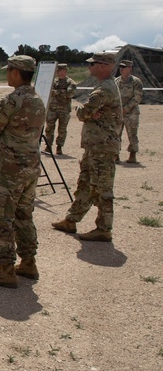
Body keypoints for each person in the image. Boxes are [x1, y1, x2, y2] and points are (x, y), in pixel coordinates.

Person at [0, 56, 46, 288]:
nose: (7, 75)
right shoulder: (38, 100)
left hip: (9, 170)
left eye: (9, 71)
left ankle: (6, 270)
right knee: (24, 216)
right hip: (31, 168)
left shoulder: (12, 100)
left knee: (1, 218)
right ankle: (28, 262)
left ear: (16, 73)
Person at [52, 52, 124, 242]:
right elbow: (90, 112)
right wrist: (89, 112)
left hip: (103, 147)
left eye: (93, 64)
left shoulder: (104, 89)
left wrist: (81, 110)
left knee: (102, 189)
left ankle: (104, 229)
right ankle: (71, 220)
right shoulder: (104, 86)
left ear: (103, 66)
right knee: (85, 183)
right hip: (95, 146)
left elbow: (84, 113)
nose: (89, 67)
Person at [44, 63, 77, 155]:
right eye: (57, 70)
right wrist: (62, 91)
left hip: (64, 109)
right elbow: (48, 92)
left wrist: (57, 92)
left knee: (62, 129)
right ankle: (48, 145)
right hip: (52, 109)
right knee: (49, 128)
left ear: (65, 71)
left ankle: (59, 147)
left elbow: (70, 94)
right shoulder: (53, 82)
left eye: (59, 70)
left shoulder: (71, 82)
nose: (58, 72)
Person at [116, 60, 143, 164]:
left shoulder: (136, 82)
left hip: (131, 113)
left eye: (124, 67)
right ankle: (116, 155)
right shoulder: (117, 81)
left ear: (130, 68)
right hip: (118, 113)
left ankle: (132, 155)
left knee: (132, 134)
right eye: (120, 67)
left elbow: (137, 97)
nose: (121, 69)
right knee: (116, 134)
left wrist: (126, 108)